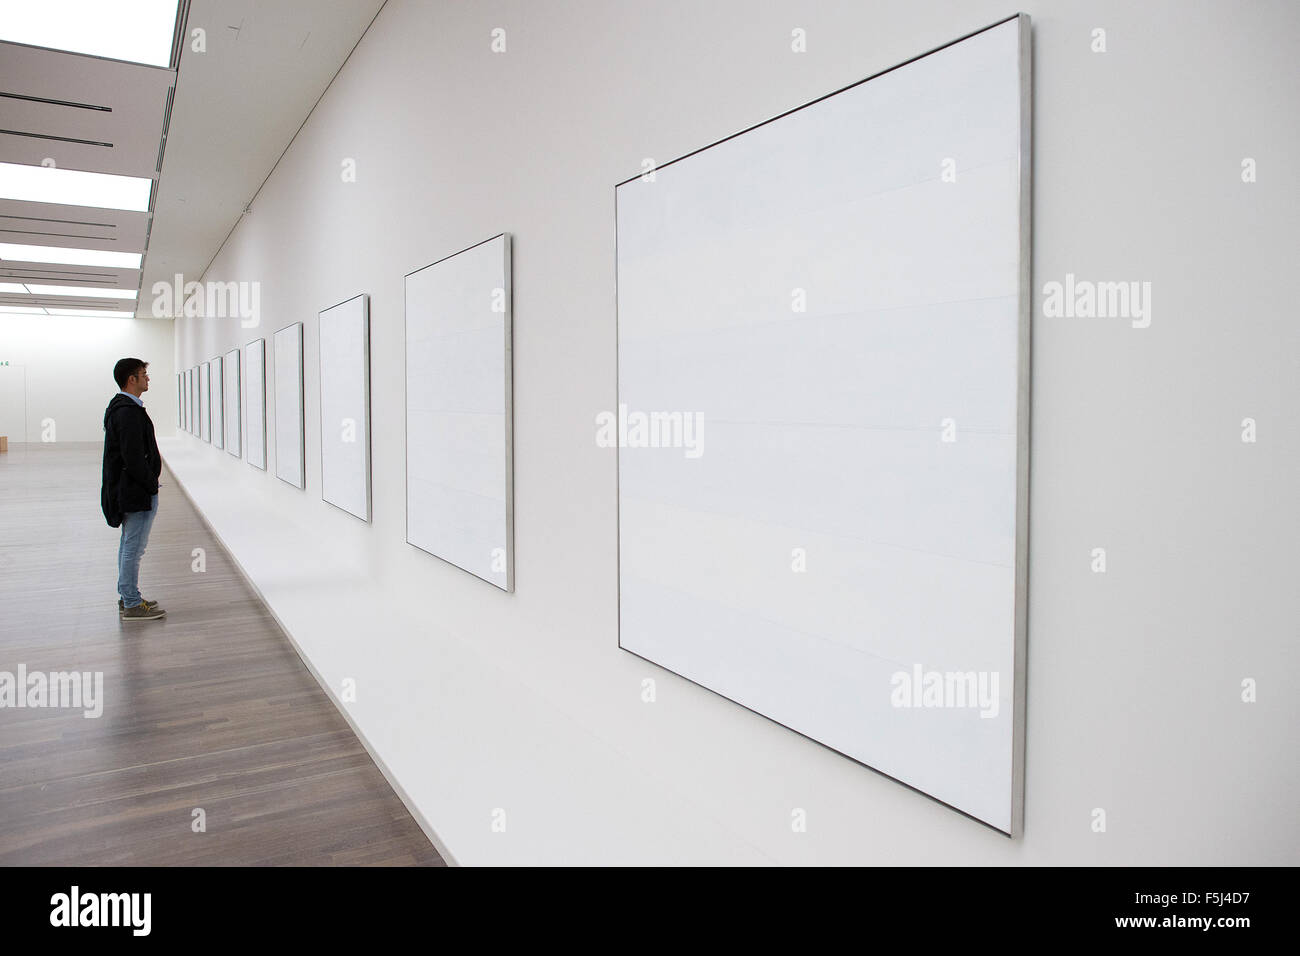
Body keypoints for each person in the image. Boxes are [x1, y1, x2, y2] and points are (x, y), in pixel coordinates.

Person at [101, 358, 166, 622]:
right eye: (143, 374)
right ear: (131, 379)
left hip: (130, 489)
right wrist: (151, 483)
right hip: (135, 491)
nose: (147, 379)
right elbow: (133, 457)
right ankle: (131, 602)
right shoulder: (126, 412)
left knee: (129, 545)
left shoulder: (125, 408)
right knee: (133, 548)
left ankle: (128, 595)